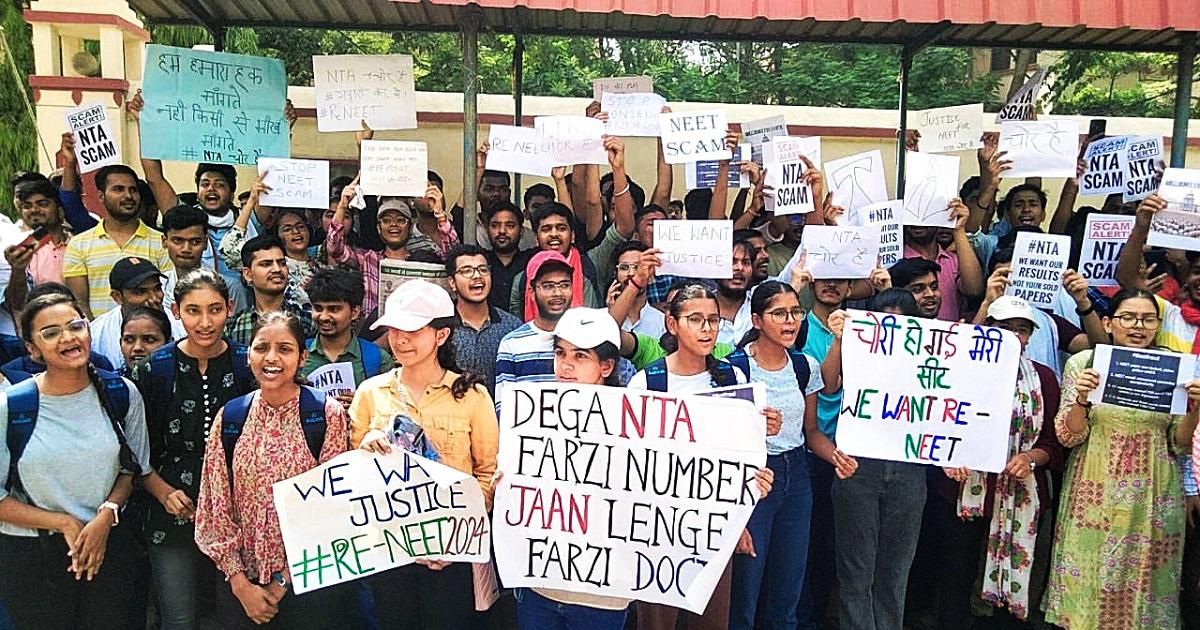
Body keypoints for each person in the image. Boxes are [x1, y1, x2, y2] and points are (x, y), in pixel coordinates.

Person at [1043, 288, 1200, 628]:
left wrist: (1196, 408)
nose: (1138, 327)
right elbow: (1069, 436)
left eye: (1147, 320)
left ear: (1158, 325)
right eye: (1128, 318)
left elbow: (1179, 443)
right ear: (1107, 323)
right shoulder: (1084, 364)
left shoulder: (1173, 367)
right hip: (1094, 491)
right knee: (1090, 586)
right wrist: (1082, 398)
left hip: (1154, 494)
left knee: (1145, 589)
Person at [350, 279, 498, 630]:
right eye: (394, 330)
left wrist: (454, 540)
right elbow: (350, 476)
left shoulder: (473, 396)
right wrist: (366, 447)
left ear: (441, 335)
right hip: (388, 552)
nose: (400, 340)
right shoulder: (370, 393)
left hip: (451, 557)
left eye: (413, 331)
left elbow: (487, 475)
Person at [0, 292, 151, 628]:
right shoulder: (11, 406)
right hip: (33, 555)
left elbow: (131, 468)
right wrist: (64, 522)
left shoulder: (121, 393)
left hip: (107, 544)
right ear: (32, 349)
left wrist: (107, 513)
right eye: (51, 332)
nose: (67, 337)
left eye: (75, 326)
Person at [195, 311, 350, 629]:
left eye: (285, 349)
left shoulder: (324, 415)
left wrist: (283, 581)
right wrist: (239, 583)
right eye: (262, 347)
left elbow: (333, 509)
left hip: (309, 583)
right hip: (242, 586)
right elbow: (215, 504)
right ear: (249, 354)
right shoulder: (231, 417)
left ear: (302, 357)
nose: (272, 358)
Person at [133, 268, 254, 630]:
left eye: (214, 310)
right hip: (172, 509)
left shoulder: (247, 363)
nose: (205, 322)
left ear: (229, 308)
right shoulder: (155, 369)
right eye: (193, 311)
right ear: (176, 311)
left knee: (235, 616)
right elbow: (134, 449)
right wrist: (163, 492)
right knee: (179, 618)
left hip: (237, 512)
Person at [629, 283, 750, 630]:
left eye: (713, 320)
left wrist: (740, 518)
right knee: (657, 622)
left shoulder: (732, 377)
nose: (707, 328)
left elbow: (741, 452)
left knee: (711, 620)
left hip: (714, 523)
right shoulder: (647, 383)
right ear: (672, 324)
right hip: (657, 525)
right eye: (695, 319)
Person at [938, 296, 1065, 626]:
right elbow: (937, 426)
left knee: (1011, 587)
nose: (1013, 336)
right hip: (966, 491)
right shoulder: (959, 371)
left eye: (1021, 329)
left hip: (1020, 492)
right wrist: (950, 457)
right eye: (1004, 327)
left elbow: (1052, 443)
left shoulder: (1044, 379)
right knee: (957, 573)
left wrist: (1030, 458)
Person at [508, 306, 632, 629]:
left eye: (580, 356)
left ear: (606, 366)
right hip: (540, 585)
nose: (565, 365)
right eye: (560, 353)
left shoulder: (635, 426)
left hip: (602, 593)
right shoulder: (530, 416)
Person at [817, 289, 925, 630]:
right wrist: (840, 340)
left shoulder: (928, 360)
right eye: (884, 324)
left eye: (900, 325)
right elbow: (828, 385)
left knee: (895, 570)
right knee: (856, 570)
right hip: (858, 466)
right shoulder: (857, 349)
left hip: (909, 468)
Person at [727, 280, 823, 630]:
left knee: (789, 582)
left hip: (797, 475)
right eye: (779, 314)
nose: (790, 321)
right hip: (754, 476)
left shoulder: (805, 365)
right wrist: (757, 425)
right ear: (757, 320)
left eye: (795, 312)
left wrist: (838, 456)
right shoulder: (734, 368)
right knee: (746, 587)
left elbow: (811, 433)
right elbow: (724, 434)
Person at [508, 137, 635, 317]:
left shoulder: (592, 263)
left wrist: (618, 168)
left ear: (573, 235)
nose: (554, 234)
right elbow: (518, 327)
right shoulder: (521, 280)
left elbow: (625, 228)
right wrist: (559, 180)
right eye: (546, 229)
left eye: (561, 228)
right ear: (536, 237)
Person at [63, 164, 173, 318]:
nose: (128, 196)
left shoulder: (161, 241)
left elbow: (167, 296)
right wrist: (96, 330)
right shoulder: (79, 245)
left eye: (133, 190)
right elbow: (80, 304)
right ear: (101, 196)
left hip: (152, 330)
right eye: (118, 189)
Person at [328, 181, 439, 316]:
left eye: (400, 220)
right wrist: (342, 206)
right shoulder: (367, 259)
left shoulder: (421, 262)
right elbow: (335, 249)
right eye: (386, 220)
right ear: (378, 228)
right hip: (373, 328)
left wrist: (439, 214)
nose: (393, 224)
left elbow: (452, 253)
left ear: (410, 227)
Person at [219, 174, 319, 307]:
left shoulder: (322, 262)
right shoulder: (271, 264)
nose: (296, 232)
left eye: (300, 226)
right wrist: (251, 202)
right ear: (278, 235)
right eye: (287, 229)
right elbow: (229, 249)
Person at [302, 267, 395, 408]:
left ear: (355, 312)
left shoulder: (379, 360)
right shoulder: (297, 355)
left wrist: (365, 407)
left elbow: (391, 410)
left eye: (334, 309)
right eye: (318, 308)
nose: (324, 317)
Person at [494, 251, 576, 409]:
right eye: (548, 286)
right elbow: (504, 407)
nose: (557, 293)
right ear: (531, 292)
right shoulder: (512, 344)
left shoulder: (587, 338)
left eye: (564, 285)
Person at [445, 245, 520, 396]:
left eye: (483, 270)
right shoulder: (442, 329)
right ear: (452, 282)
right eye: (467, 271)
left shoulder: (512, 327)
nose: (477, 276)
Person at [89, 256, 184, 371]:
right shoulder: (95, 335)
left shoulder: (182, 326)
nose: (154, 298)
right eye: (140, 292)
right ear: (117, 297)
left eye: (157, 288)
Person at [901, 198, 983, 321]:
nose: (918, 221)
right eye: (910, 214)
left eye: (926, 213)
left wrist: (959, 229)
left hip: (948, 333)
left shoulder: (954, 260)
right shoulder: (895, 260)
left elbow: (974, 290)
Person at [224, 235, 315, 345]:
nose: (277, 269)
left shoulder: (307, 322)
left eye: (282, 263)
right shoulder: (234, 326)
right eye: (266, 264)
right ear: (248, 274)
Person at [607, 240, 665, 340]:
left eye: (638, 267)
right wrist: (611, 313)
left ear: (650, 277)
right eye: (624, 267)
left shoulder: (663, 322)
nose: (631, 273)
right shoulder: (600, 318)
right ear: (615, 274)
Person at [483, 201, 535, 312]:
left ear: (521, 231)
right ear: (487, 230)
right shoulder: (481, 261)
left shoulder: (532, 261)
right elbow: (459, 217)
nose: (502, 231)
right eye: (495, 226)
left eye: (510, 226)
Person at [160, 205, 212, 310]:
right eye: (177, 241)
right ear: (164, 241)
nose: (186, 249)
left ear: (206, 242)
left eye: (195, 242)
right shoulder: (158, 286)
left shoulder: (227, 286)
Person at [119, 306, 172, 374]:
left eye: (149, 340)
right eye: (129, 340)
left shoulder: (182, 378)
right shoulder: (112, 379)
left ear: (169, 344)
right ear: (120, 343)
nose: (137, 348)